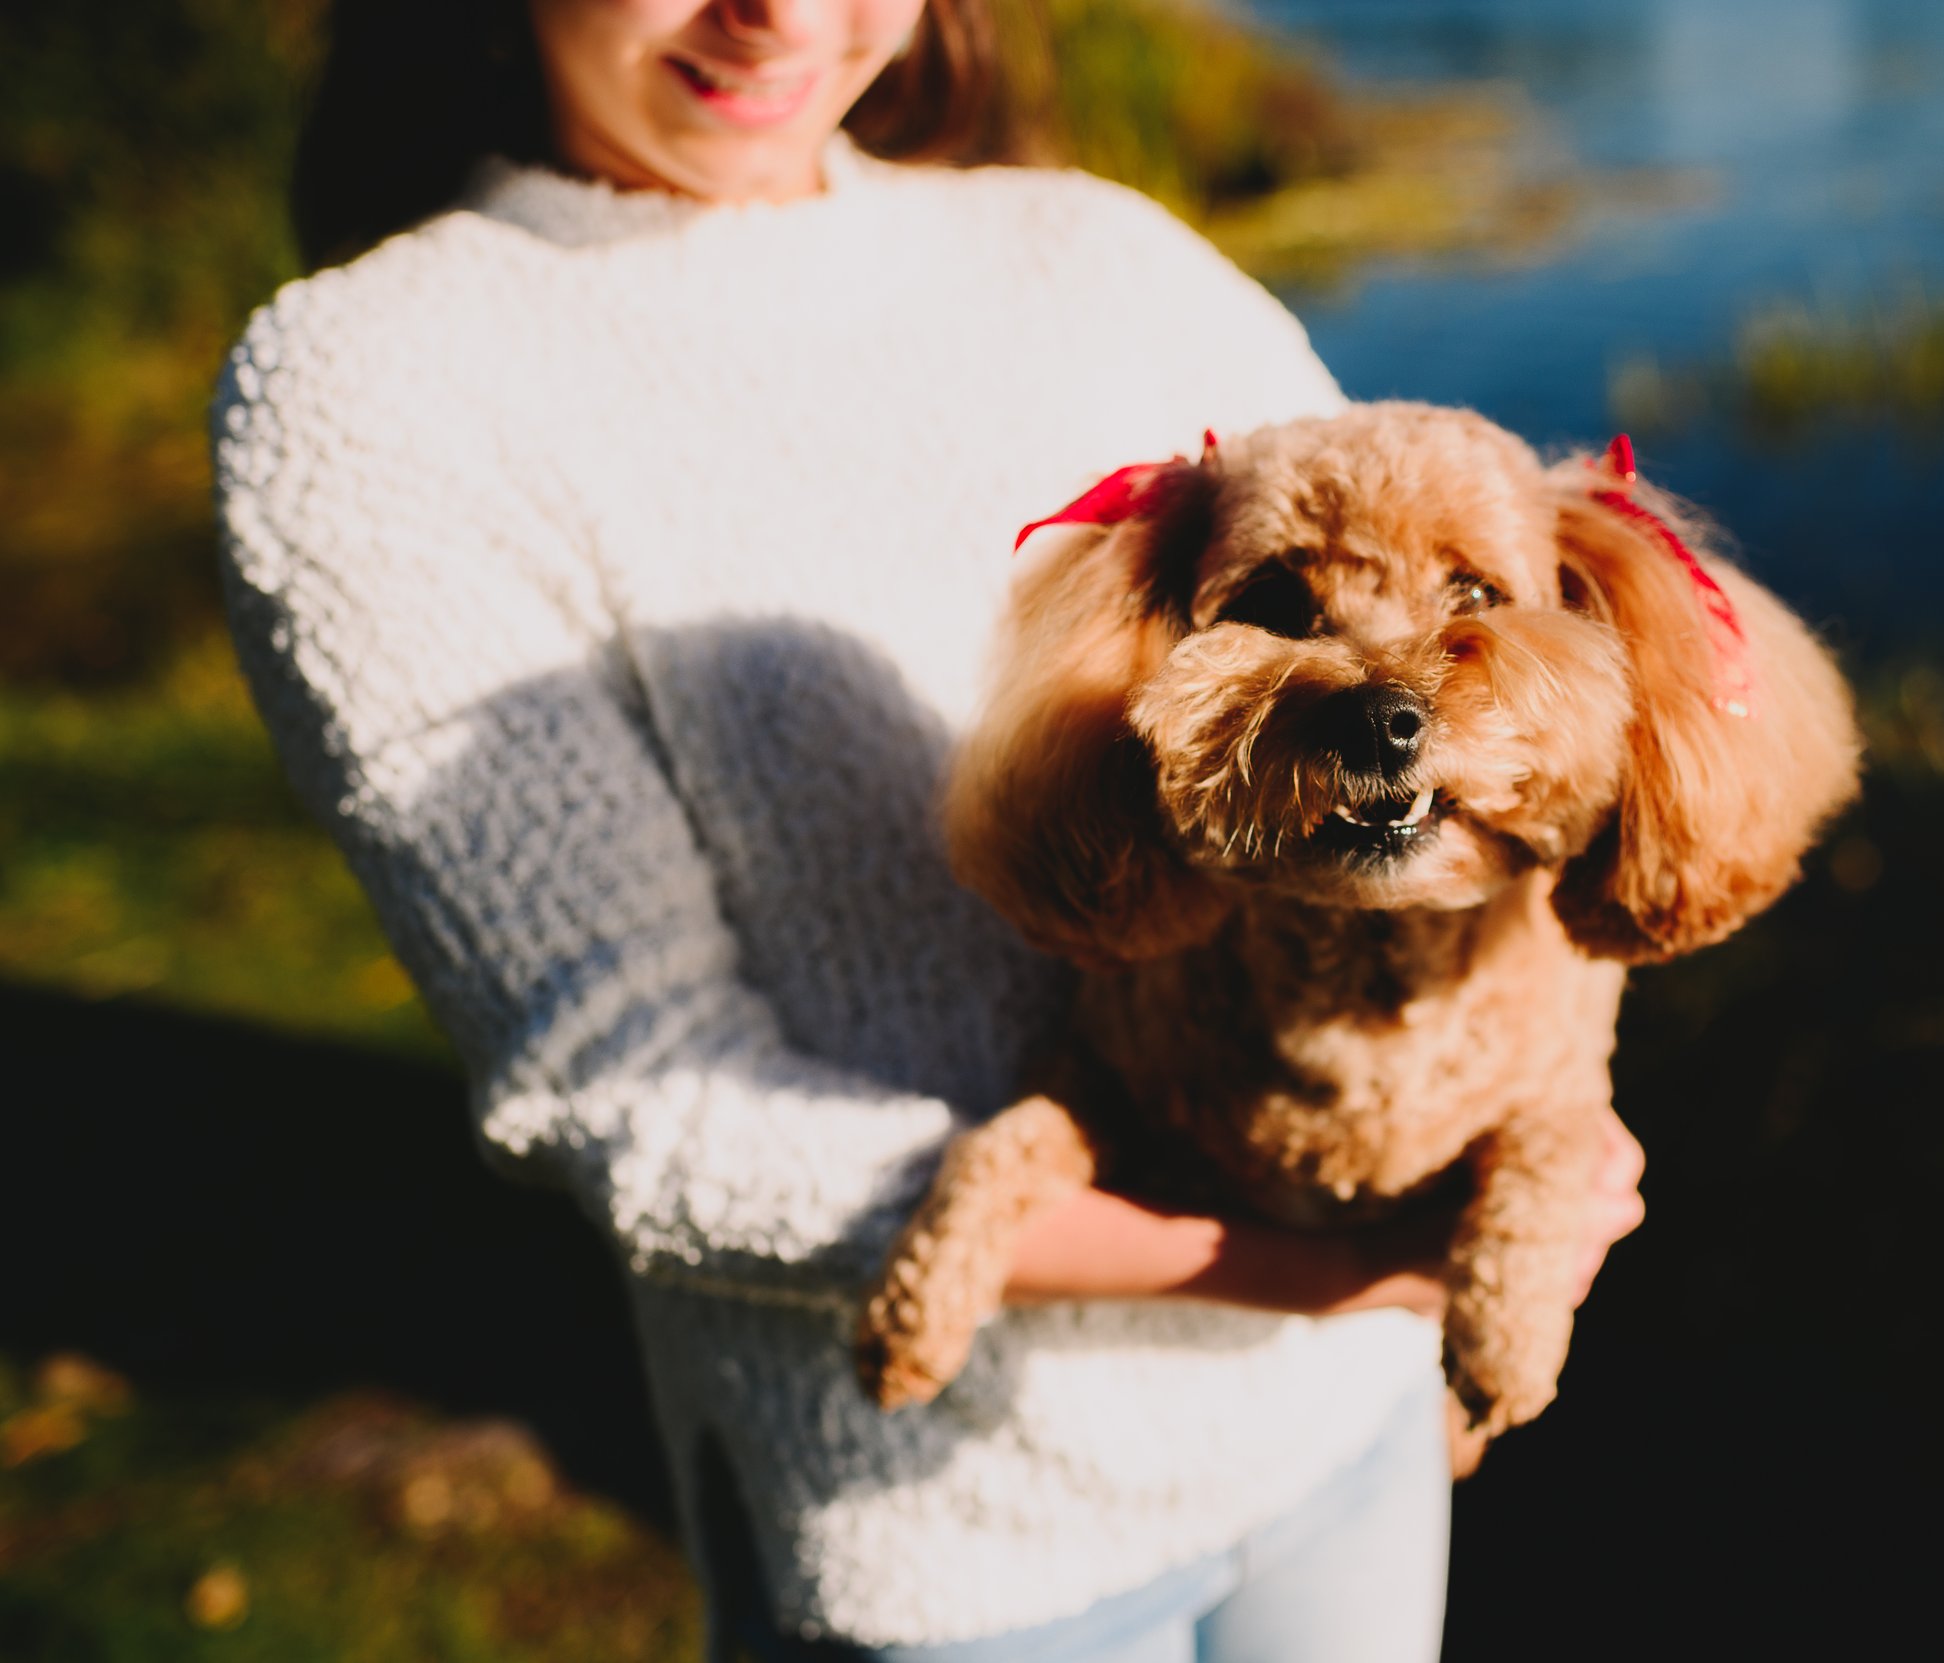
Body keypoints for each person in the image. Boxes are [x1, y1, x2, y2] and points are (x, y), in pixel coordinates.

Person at [213, 2, 1646, 1657]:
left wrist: (1541, 1115)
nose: (781, 14)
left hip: (1348, 1429)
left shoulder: (1098, 250)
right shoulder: (366, 387)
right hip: (951, 1530)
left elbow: (1474, 713)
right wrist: (1323, 1265)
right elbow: (633, 1098)